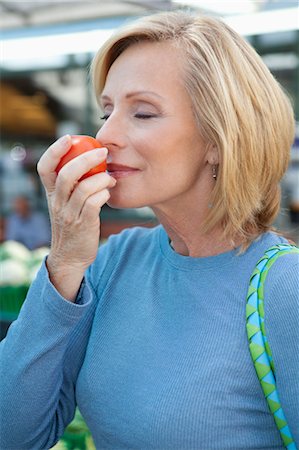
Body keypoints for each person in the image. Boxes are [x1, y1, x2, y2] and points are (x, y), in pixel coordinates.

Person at [0, 11, 298, 450]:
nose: (105, 134)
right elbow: (14, 434)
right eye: (107, 110)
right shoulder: (114, 262)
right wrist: (64, 262)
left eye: (142, 112)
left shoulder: (285, 290)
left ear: (217, 140)